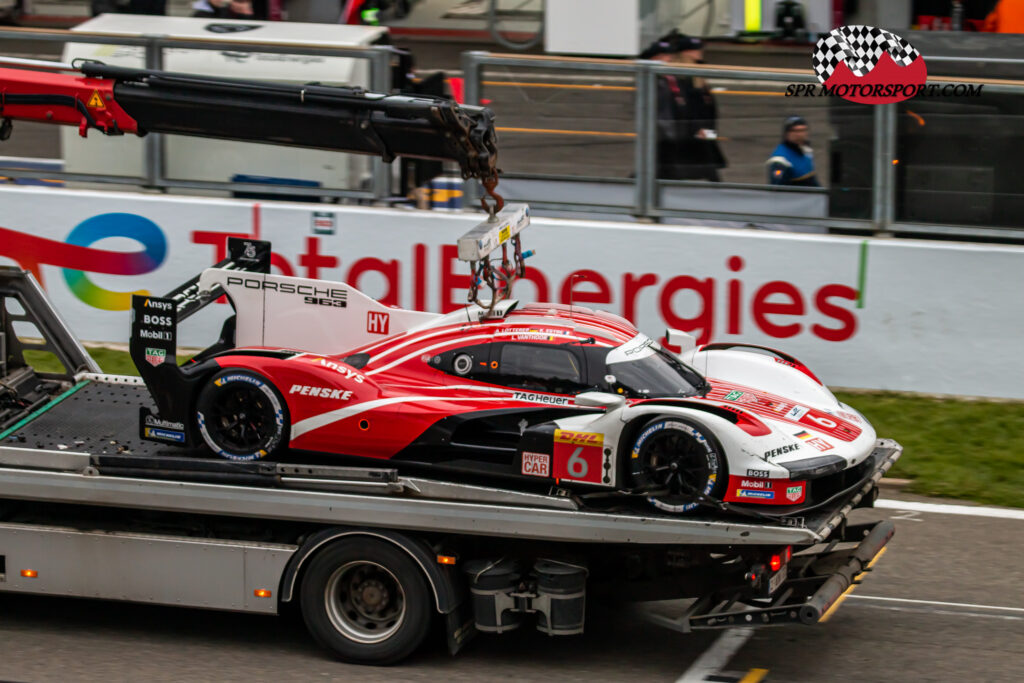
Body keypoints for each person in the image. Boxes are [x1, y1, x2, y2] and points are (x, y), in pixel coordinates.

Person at [640, 30, 726, 182]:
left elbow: (703, 107)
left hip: (696, 130)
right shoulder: (678, 79)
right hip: (685, 132)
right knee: (675, 168)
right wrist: (693, 131)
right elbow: (685, 107)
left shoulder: (693, 76)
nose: (699, 53)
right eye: (694, 50)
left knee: (699, 165)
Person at [766, 115, 819, 187]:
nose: (800, 134)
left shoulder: (806, 150)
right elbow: (778, 189)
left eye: (803, 130)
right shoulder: (780, 160)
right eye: (795, 131)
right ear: (787, 133)